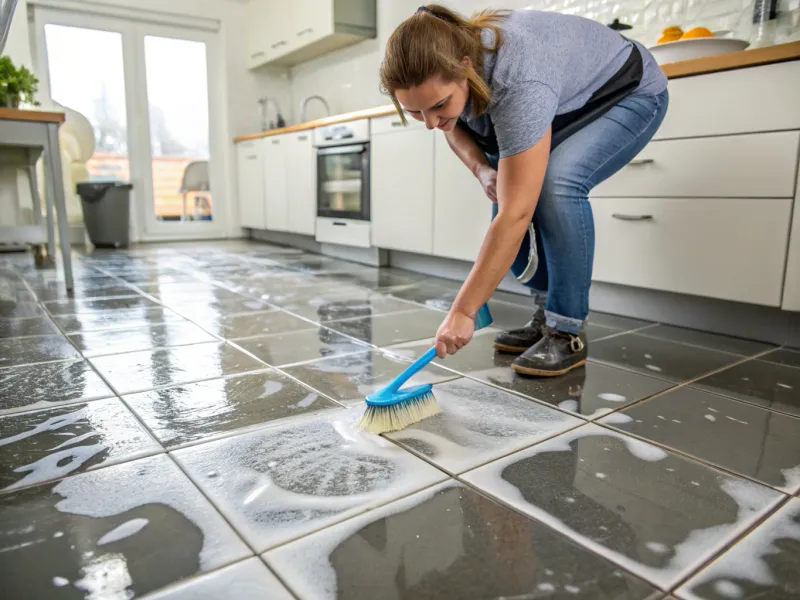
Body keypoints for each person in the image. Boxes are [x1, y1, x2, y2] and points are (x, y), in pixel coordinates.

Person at [380, 5, 669, 377]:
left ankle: (566, 330)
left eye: (438, 106)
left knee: (555, 186)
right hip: (562, 103)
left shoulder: (518, 80)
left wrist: (463, 311)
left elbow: (516, 215)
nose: (431, 123)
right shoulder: (452, 78)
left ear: (466, 67)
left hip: (628, 93)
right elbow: (454, 127)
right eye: (416, 113)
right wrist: (482, 169)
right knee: (508, 187)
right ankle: (545, 315)